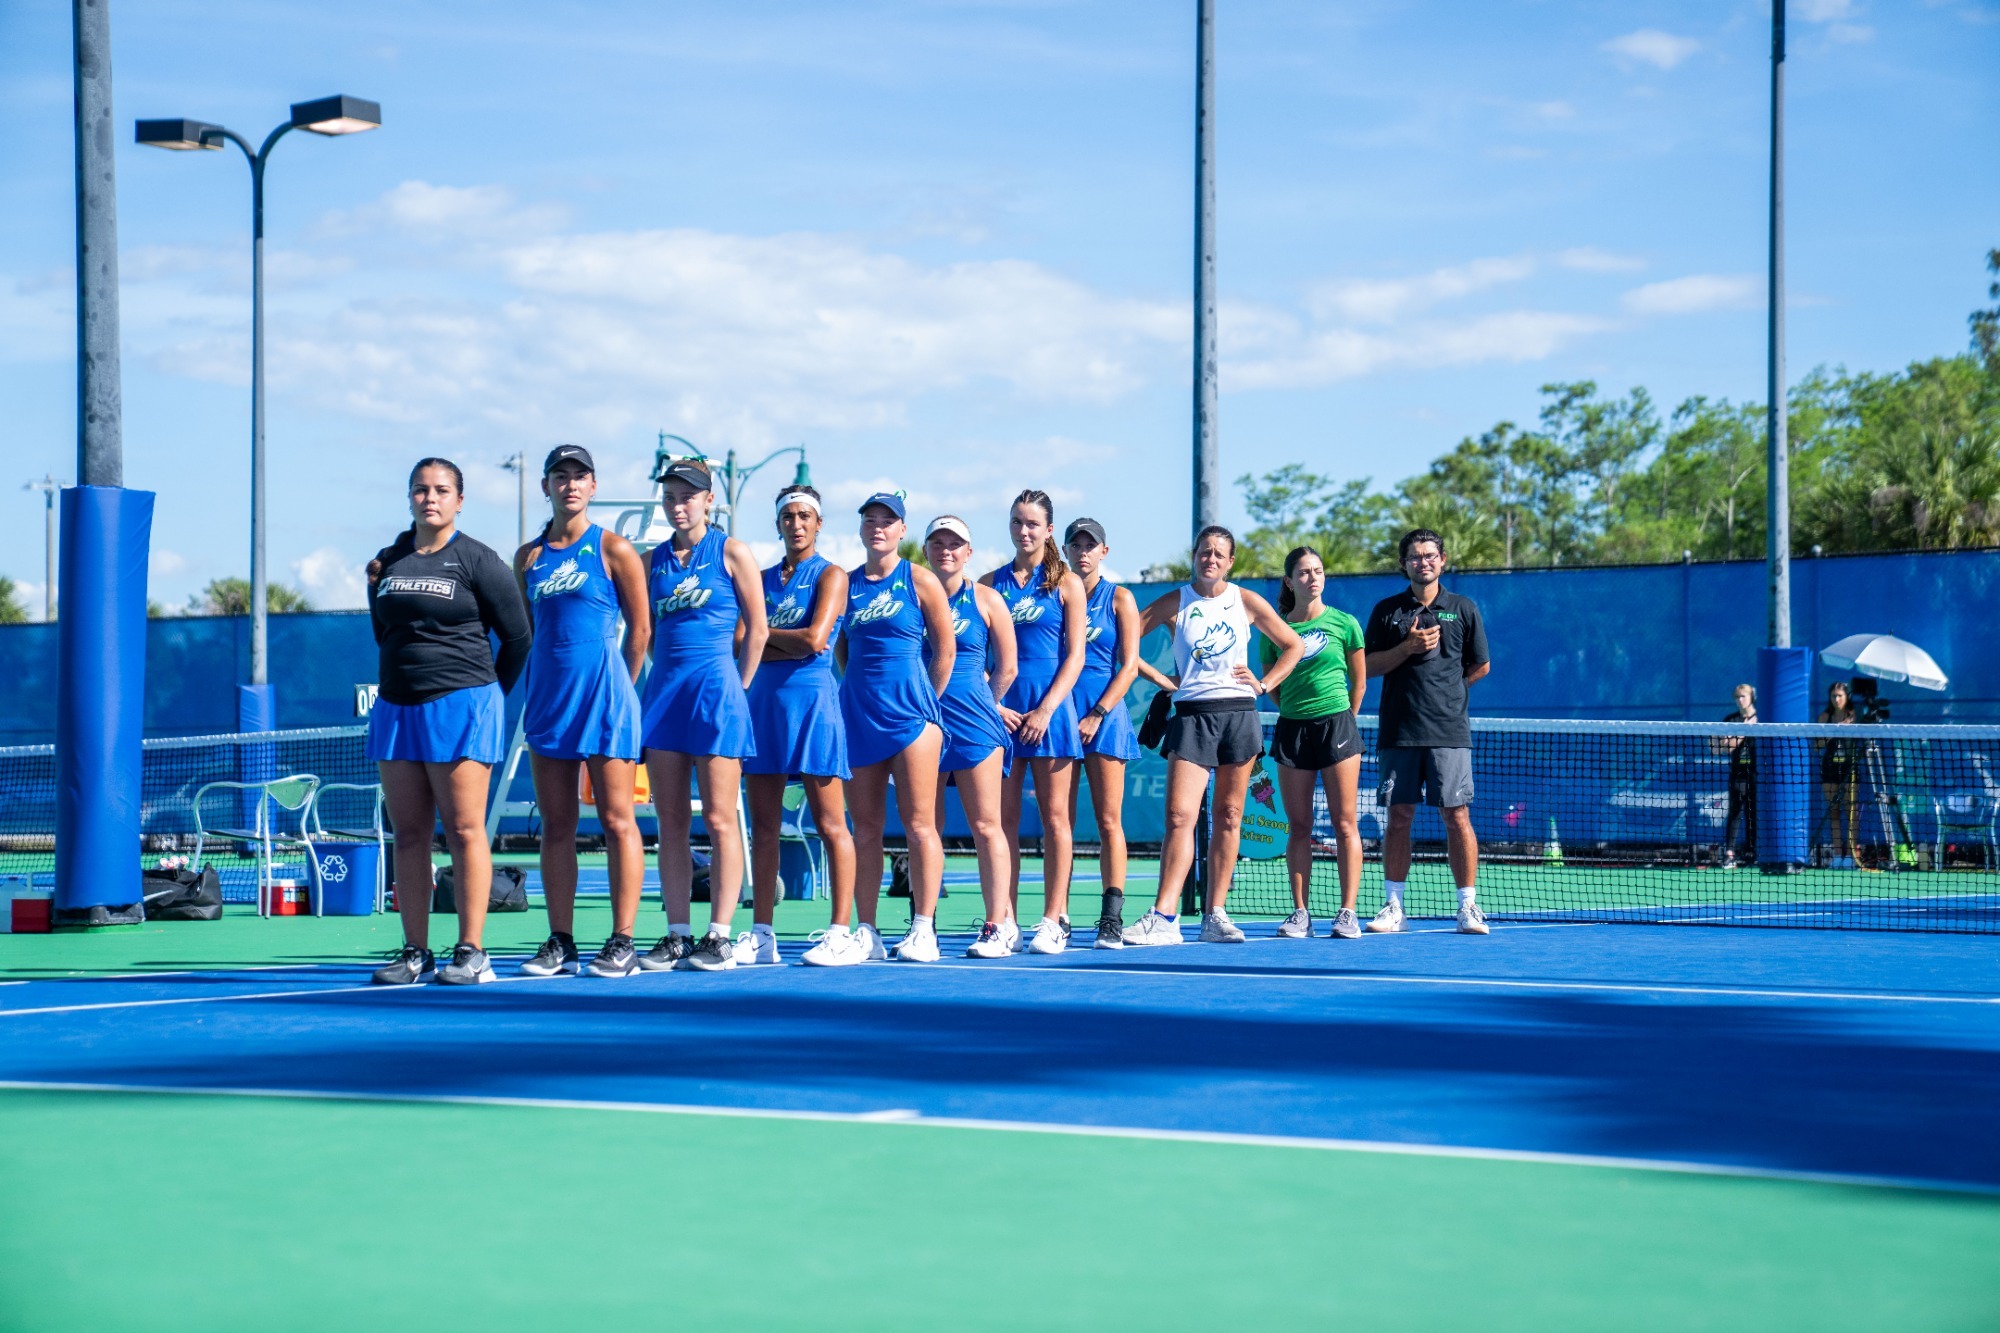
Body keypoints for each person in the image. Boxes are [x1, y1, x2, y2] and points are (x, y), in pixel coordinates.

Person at [367, 458, 533, 986]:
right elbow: (384, 632)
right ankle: (415, 951)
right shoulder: (386, 561)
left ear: (460, 500)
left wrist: (486, 697)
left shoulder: (479, 560)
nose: (429, 498)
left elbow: (518, 638)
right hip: (397, 708)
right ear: (409, 496)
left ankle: (472, 951)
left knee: (464, 831)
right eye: (420, 489)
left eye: (441, 490)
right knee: (409, 835)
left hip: (462, 707)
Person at [1122, 525, 1302, 947]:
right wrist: (1163, 681)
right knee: (1179, 818)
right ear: (1195, 555)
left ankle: (1215, 915)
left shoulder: (1247, 602)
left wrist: (1262, 683)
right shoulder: (1175, 601)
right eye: (1205, 551)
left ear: (1230, 561)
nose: (1211, 559)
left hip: (1239, 716)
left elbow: (1293, 645)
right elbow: (1125, 646)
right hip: (1191, 718)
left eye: (1220, 553)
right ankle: (1165, 916)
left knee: (1229, 817)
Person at [513, 445, 651, 979]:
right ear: (545, 486)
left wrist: (620, 687)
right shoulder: (527, 556)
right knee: (556, 826)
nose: (570, 485)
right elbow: (528, 630)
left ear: (593, 486)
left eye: (580, 476)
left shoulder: (614, 549)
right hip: (548, 702)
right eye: (560, 476)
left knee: (618, 820)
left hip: (606, 701)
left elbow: (639, 630)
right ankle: (561, 942)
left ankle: (623, 942)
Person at [637, 457, 768, 973]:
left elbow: (757, 630)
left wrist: (737, 686)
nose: (678, 504)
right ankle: (676, 934)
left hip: (718, 695)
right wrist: (666, 674)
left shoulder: (732, 551)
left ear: (709, 499)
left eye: (688, 495)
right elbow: (644, 636)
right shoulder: (652, 562)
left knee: (718, 818)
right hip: (666, 697)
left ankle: (718, 935)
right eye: (670, 495)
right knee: (669, 822)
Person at [741, 485, 859, 968]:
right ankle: (762, 932)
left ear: (818, 523)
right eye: (787, 516)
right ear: (778, 524)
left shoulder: (830, 575)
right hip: (762, 707)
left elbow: (814, 640)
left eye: (804, 515)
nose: (796, 523)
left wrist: (761, 636)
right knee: (764, 828)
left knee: (831, 825)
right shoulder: (761, 578)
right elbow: (735, 640)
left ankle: (839, 932)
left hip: (813, 706)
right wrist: (762, 640)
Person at [838, 492, 957, 964]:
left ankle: (923, 928)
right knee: (864, 829)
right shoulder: (844, 584)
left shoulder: (921, 580)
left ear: (902, 530)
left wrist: (927, 701)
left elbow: (945, 651)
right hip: (859, 717)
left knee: (919, 825)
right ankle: (866, 929)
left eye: (888, 521)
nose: (878, 528)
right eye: (870, 520)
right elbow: (843, 649)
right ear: (861, 528)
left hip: (913, 720)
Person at [1362, 528, 1491, 935]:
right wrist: (1407, 648)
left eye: (1430, 555)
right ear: (1404, 564)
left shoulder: (1463, 608)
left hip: (1449, 732)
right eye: (1415, 557)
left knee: (1456, 816)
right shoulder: (1387, 611)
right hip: (1399, 731)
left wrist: (1448, 694)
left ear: (1443, 559)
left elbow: (1479, 665)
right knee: (1398, 818)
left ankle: (1468, 907)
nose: (1424, 562)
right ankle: (1394, 906)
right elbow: (1365, 666)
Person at [983, 490, 1088, 955]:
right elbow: (971, 653)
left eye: (1032, 524)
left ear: (1049, 530)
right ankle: (1004, 920)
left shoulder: (1068, 585)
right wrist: (994, 703)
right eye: (1016, 522)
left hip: (1053, 714)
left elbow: (1076, 656)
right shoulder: (987, 584)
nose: (1023, 531)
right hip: (1001, 717)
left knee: (1055, 819)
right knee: (1001, 822)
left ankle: (1052, 919)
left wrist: (1046, 710)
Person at [922, 516, 1021, 958]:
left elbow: (1008, 667)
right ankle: (924, 928)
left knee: (986, 824)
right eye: (938, 542)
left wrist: (986, 701)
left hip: (976, 723)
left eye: (955, 543)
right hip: (921, 723)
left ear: (969, 552)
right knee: (927, 828)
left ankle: (999, 924)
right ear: (925, 549)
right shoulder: (911, 594)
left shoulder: (987, 599)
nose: (946, 550)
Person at [1261, 545, 1368, 941]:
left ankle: (1347, 912)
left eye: (1318, 570)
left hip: (1338, 726)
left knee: (1344, 823)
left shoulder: (1345, 624)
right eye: (1304, 572)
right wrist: (1295, 708)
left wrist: (1344, 717)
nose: (1313, 577)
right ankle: (1300, 913)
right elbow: (1271, 683)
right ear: (1290, 581)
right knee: (1300, 825)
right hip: (1292, 729)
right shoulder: (1275, 628)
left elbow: (1359, 681)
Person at [1061, 517, 1145, 950]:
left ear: (1104, 552)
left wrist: (1097, 712)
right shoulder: (1055, 595)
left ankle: (1110, 918)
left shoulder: (1121, 598)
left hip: (1104, 717)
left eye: (1090, 544)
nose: (1083, 552)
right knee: (1060, 823)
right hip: (1059, 718)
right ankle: (1057, 914)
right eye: (1075, 544)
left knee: (1109, 821)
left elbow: (1130, 666)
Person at [1817, 680, 1858, 868]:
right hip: (1830, 769)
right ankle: (1837, 855)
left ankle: (1850, 855)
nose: (1836, 699)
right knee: (1833, 812)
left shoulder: (1855, 716)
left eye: (1840, 695)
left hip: (1850, 768)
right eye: (1833, 695)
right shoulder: (1825, 717)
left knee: (1851, 812)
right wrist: (1835, 729)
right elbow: (1818, 745)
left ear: (1846, 696)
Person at [1717, 682, 1758, 869]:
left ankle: (1752, 853)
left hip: (1759, 775)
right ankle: (1729, 854)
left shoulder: (1764, 719)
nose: (1740, 700)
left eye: (1743, 696)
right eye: (1737, 697)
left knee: (1754, 813)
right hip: (1738, 774)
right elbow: (1727, 746)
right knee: (1736, 812)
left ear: (1752, 697)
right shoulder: (1731, 720)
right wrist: (1745, 729)